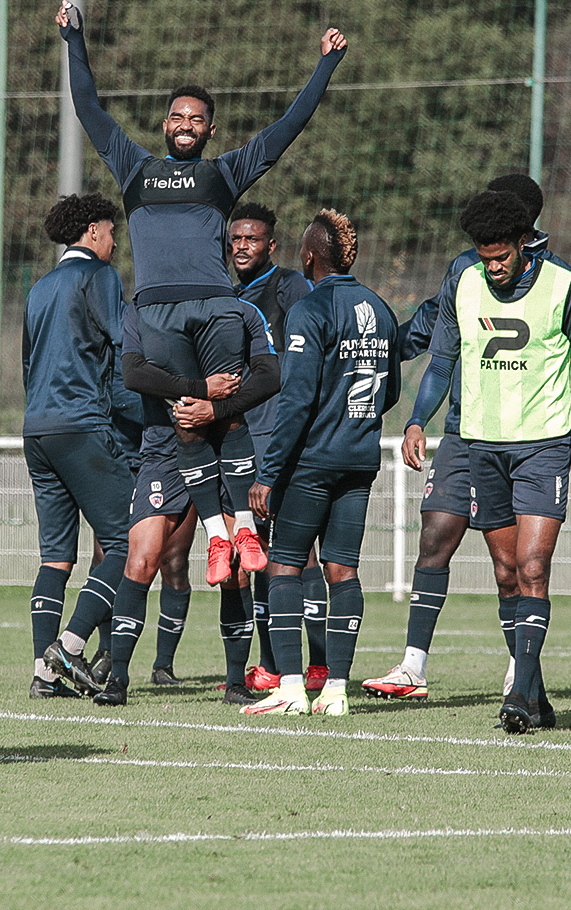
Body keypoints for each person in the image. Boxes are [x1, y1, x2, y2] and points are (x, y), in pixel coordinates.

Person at [56, 1, 346, 582]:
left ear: (210, 129)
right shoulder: (134, 168)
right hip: (160, 312)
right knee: (189, 417)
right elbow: (88, 106)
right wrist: (75, 42)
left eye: (196, 119)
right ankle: (220, 535)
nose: (185, 124)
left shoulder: (225, 173)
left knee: (230, 411)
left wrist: (324, 67)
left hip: (215, 306)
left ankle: (241, 525)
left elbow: (285, 130)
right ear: (165, 124)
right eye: (176, 117)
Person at [421, 188, 571, 733]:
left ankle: (516, 699)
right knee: (507, 575)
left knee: (533, 567)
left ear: (524, 245)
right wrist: (417, 420)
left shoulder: (563, 286)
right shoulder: (464, 285)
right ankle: (535, 693)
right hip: (482, 445)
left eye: (502, 256)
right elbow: (441, 364)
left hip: (544, 445)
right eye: (485, 258)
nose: (494, 267)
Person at [364, 173, 551, 701]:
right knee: (435, 536)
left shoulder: (551, 278)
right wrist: (388, 360)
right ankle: (412, 667)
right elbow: (436, 338)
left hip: (521, 439)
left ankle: (521, 669)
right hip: (463, 435)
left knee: (508, 565)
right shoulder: (464, 271)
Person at [244, 210, 400, 716]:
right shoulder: (380, 306)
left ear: (310, 256)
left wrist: (268, 473)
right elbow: (390, 390)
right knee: (343, 570)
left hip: (312, 461)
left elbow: (295, 399)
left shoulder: (311, 310)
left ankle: (290, 686)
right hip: (360, 459)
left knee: (285, 564)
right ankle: (335, 692)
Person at [85, 301, 279, 706]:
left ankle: (234, 682)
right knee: (141, 560)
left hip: (227, 450)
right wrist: (198, 391)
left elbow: (269, 376)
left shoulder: (240, 311)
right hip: (162, 450)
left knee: (236, 571)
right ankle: (118, 680)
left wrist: (218, 408)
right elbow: (134, 373)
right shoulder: (142, 310)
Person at [22, 194, 140, 698]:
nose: (115, 244)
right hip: (81, 425)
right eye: (112, 233)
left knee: (55, 559)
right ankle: (69, 647)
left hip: (36, 430)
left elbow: (29, 364)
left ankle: (43, 676)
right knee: (126, 542)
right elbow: (121, 354)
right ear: (93, 231)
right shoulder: (99, 276)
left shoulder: (39, 288)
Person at [228, 203, 329, 697]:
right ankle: (270, 663)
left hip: (280, 433)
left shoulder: (289, 286)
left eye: (252, 238)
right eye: (236, 239)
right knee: (259, 553)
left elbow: (307, 346)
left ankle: (319, 663)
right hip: (239, 433)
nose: (242, 246)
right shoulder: (225, 292)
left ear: (271, 245)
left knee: (297, 550)